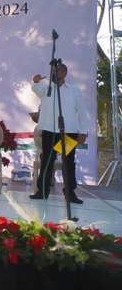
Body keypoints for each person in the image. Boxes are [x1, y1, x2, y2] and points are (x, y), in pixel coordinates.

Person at [30, 63, 87, 203]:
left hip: (69, 132)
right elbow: (36, 88)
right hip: (50, 131)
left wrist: (83, 132)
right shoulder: (47, 89)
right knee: (47, 161)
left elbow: (82, 113)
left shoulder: (75, 91)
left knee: (68, 162)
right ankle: (42, 190)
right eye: (52, 72)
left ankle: (70, 192)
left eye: (57, 72)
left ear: (64, 74)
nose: (54, 75)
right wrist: (36, 81)